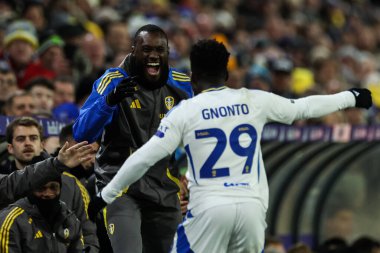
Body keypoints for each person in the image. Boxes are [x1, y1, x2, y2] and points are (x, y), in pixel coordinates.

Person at [89, 39, 372, 253]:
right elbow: (303, 107)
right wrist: (351, 96)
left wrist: (107, 195)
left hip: (210, 209)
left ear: (193, 77)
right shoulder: (254, 100)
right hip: (252, 209)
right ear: (226, 74)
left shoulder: (186, 111)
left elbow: (143, 158)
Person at [73, 24, 193, 253]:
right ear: (133, 50)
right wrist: (109, 102)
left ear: (168, 52)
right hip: (120, 188)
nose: (154, 56)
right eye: (146, 49)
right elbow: (81, 132)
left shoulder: (181, 84)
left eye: (160, 50)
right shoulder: (113, 81)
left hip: (165, 190)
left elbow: (197, 134)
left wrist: (187, 173)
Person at [5, 117, 99, 252]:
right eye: (21, 139)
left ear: (42, 143)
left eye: (33, 138)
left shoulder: (71, 184)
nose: (27, 143)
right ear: (10, 147)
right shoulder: (4, 186)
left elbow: (89, 233)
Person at [0, 140, 93, 209]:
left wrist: (57, 163)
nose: (47, 193)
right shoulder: (13, 219)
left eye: (33, 138)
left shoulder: (71, 184)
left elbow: (20, 180)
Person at [0, 177, 84, 252]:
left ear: (60, 189)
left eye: (53, 187)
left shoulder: (69, 217)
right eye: (41, 188)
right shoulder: (12, 221)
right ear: (31, 189)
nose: (47, 193)